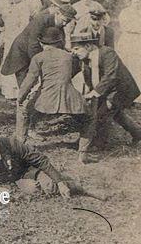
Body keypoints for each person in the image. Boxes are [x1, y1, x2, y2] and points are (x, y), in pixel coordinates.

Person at [17, 28, 94, 162]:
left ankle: (19, 146)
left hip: (45, 98)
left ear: (42, 43)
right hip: (70, 97)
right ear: (59, 42)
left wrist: (20, 97)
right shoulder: (69, 56)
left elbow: (30, 80)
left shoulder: (38, 57)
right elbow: (75, 73)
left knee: (22, 110)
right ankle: (83, 153)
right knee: (90, 118)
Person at [71, 39, 141, 149]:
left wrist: (94, 92)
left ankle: (99, 143)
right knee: (116, 114)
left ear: (88, 46)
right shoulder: (82, 58)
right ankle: (139, 133)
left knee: (101, 115)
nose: (73, 52)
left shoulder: (107, 53)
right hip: (106, 90)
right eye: (72, 50)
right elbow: (72, 71)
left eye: (76, 48)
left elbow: (111, 75)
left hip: (119, 90)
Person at [0, 124, 72, 198]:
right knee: (34, 189)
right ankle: (57, 179)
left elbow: (41, 160)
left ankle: (70, 183)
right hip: (13, 180)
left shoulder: (13, 144)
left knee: (50, 187)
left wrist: (60, 182)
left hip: (29, 172)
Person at [1, 3, 77, 86]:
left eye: (68, 22)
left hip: (35, 51)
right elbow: (33, 44)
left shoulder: (60, 24)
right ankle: (23, 98)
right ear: (58, 13)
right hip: (22, 51)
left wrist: (67, 51)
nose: (65, 24)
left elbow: (60, 42)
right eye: (64, 20)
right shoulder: (41, 20)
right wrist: (40, 64)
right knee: (26, 82)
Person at [0, 0, 31, 99]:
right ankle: (8, 90)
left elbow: (24, 26)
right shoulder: (11, 7)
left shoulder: (24, 7)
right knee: (6, 61)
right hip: (8, 38)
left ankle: (17, 91)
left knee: (16, 62)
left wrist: (16, 38)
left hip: (17, 39)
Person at [115, 0, 141, 103]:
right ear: (130, 2)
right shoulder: (125, 12)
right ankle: (125, 95)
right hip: (127, 40)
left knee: (140, 67)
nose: (137, 4)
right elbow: (125, 26)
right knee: (126, 66)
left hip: (140, 41)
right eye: (135, 2)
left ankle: (138, 96)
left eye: (139, 2)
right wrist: (138, 28)